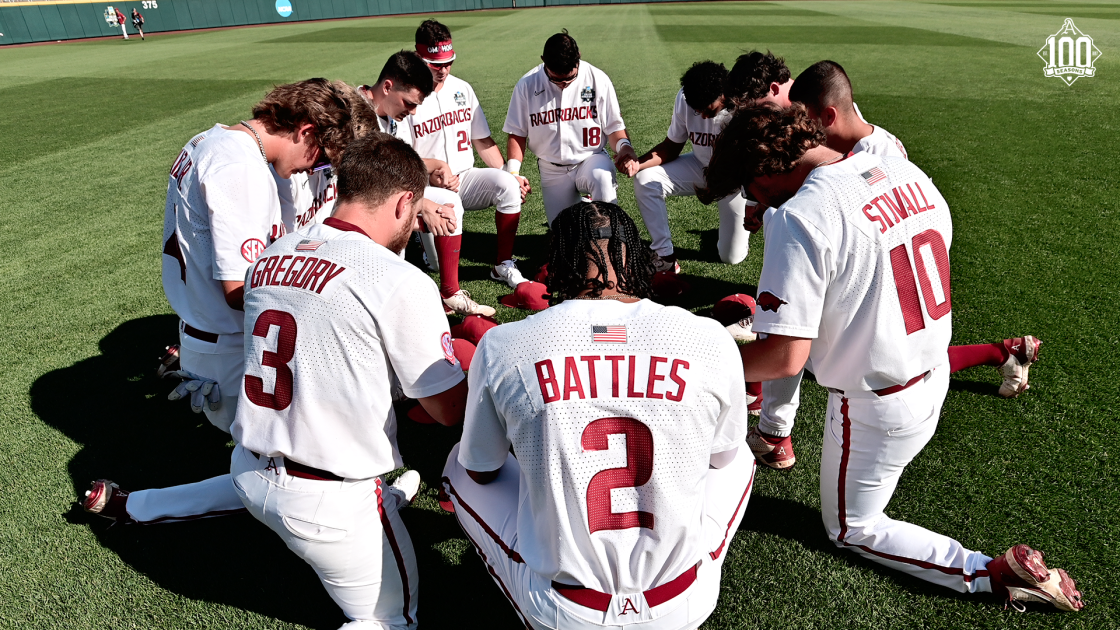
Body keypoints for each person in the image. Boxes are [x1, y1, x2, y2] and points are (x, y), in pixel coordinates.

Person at [704, 104, 1082, 612]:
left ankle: (988, 575)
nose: (755, 201)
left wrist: (702, 361)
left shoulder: (799, 216)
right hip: (932, 371)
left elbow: (785, 358)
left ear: (768, 168)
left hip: (878, 406)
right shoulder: (900, 166)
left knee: (851, 528)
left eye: (752, 187)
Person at [441, 201, 756, 629]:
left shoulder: (505, 344)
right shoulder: (707, 336)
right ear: (635, 257)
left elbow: (480, 472)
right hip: (681, 601)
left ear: (557, 263)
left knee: (460, 460)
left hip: (566, 610)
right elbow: (721, 458)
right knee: (739, 456)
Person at [730, 59, 1040, 470]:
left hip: (886, 305)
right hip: (904, 310)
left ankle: (774, 428)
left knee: (795, 333)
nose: (797, 135)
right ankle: (1001, 351)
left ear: (826, 116)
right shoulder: (879, 156)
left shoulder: (875, 157)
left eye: (803, 123)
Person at [82, 79, 365, 524]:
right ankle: (133, 507)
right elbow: (242, 291)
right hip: (229, 344)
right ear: (307, 131)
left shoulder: (212, 139)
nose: (314, 170)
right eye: (319, 158)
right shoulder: (241, 170)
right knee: (287, 475)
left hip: (207, 331)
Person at [232, 132, 468, 629]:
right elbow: (451, 411)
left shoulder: (269, 257)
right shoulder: (399, 280)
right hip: (328, 503)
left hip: (248, 472)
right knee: (396, 619)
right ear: (407, 202)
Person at [359, 51, 496, 316]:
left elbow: (391, 168)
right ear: (387, 87)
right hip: (351, 220)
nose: (411, 112)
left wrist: (434, 169)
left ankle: (449, 292)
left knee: (446, 204)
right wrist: (422, 205)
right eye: (408, 103)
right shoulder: (356, 120)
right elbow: (373, 182)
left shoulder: (387, 113)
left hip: (382, 208)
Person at [409, 19, 532, 288]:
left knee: (508, 186)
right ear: (418, 56)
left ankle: (502, 264)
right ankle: (419, 237)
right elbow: (398, 158)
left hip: (465, 177)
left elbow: (483, 141)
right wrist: (431, 174)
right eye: (436, 64)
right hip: (426, 186)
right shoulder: (407, 94)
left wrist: (509, 175)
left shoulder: (462, 88)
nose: (443, 70)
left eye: (448, 62)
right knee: (439, 263)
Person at [503, 30, 638, 225]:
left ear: (578, 58)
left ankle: (611, 243)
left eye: (570, 77)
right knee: (561, 230)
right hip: (552, 168)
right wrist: (513, 174)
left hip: (590, 159)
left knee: (602, 180)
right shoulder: (527, 85)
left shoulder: (597, 79)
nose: (564, 84)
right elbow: (517, 133)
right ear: (543, 61)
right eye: (556, 79)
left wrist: (625, 148)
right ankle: (584, 204)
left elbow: (614, 127)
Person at [632, 60, 750, 273]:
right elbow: (671, 147)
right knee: (645, 179)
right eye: (697, 110)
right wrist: (636, 163)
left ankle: (720, 233)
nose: (702, 115)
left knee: (730, 257)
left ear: (723, 95)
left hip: (735, 180)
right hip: (700, 166)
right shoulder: (685, 98)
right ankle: (664, 254)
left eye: (707, 109)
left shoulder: (745, 105)